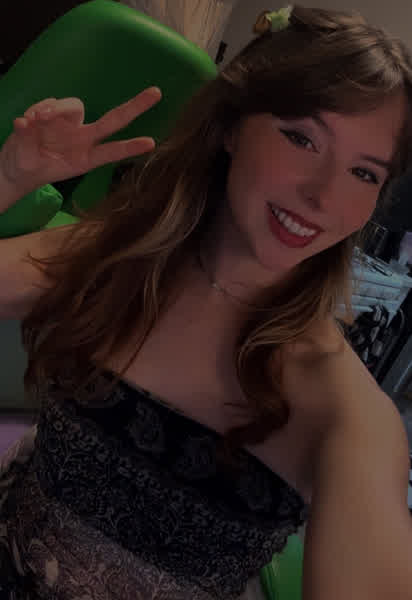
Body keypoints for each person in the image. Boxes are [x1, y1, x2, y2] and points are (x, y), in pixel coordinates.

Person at [0, 4, 412, 599]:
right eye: (302, 138)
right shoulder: (117, 258)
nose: (323, 196)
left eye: (365, 174)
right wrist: (9, 176)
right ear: (231, 128)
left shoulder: (346, 413)